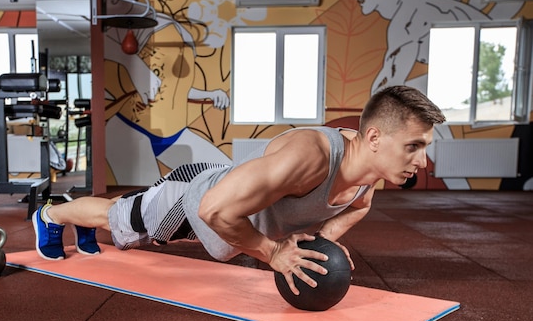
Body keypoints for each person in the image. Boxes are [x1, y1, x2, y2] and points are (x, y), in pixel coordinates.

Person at [32, 85, 445, 295]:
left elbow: (358, 207)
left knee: (127, 222)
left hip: (229, 207)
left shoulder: (370, 171)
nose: (421, 162)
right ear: (373, 137)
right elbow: (214, 208)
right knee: (120, 220)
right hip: (193, 199)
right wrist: (274, 252)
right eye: (414, 147)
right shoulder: (311, 157)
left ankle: (78, 224)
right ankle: (50, 215)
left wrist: (323, 242)